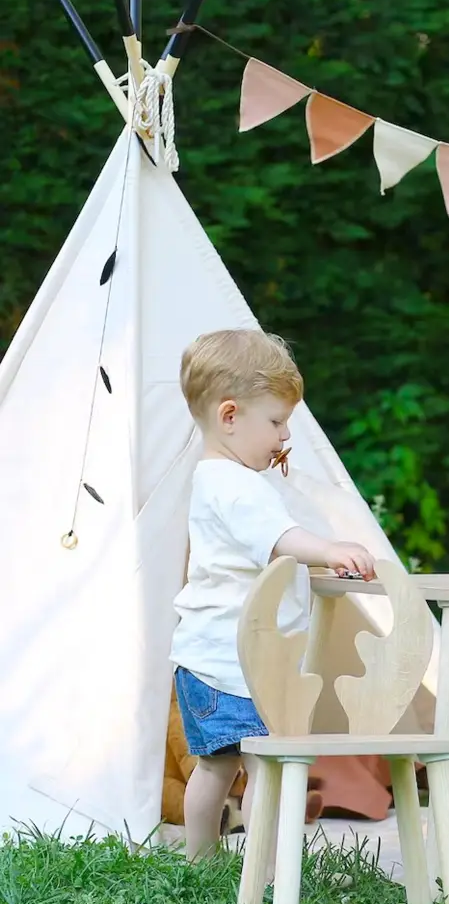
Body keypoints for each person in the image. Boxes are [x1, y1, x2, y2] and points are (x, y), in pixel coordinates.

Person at [170, 329, 376, 861]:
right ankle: (264, 866)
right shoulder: (238, 487)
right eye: (277, 422)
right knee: (266, 764)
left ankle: (200, 859)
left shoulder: (218, 476)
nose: (285, 436)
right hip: (241, 664)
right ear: (230, 416)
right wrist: (330, 550)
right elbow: (279, 538)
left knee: (215, 766)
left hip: (206, 658)